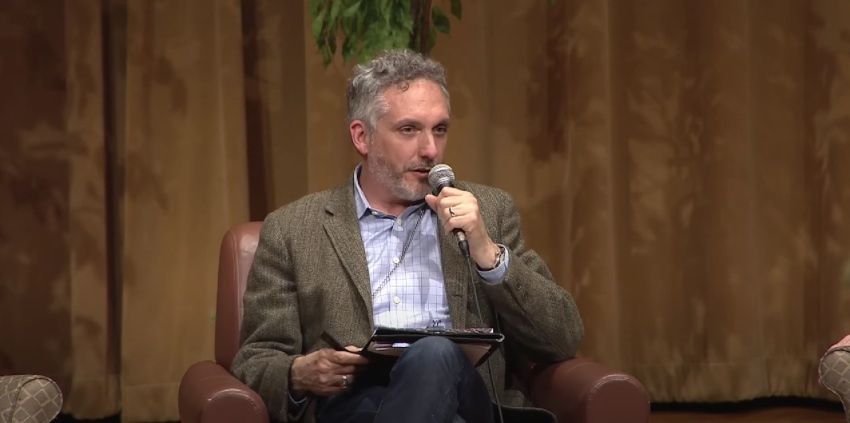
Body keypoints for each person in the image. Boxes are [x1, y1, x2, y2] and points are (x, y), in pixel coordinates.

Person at [231, 49, 583, 423]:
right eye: (409, 130)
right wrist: (298, 373)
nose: (430, 150)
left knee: (434, 353)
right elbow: (256, 359)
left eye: (440, 129)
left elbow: (562, 336)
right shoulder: (293, 229)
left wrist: (488, 254)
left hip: (466, 399)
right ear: (362, 136)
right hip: (354, 407)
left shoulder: (487, 212)